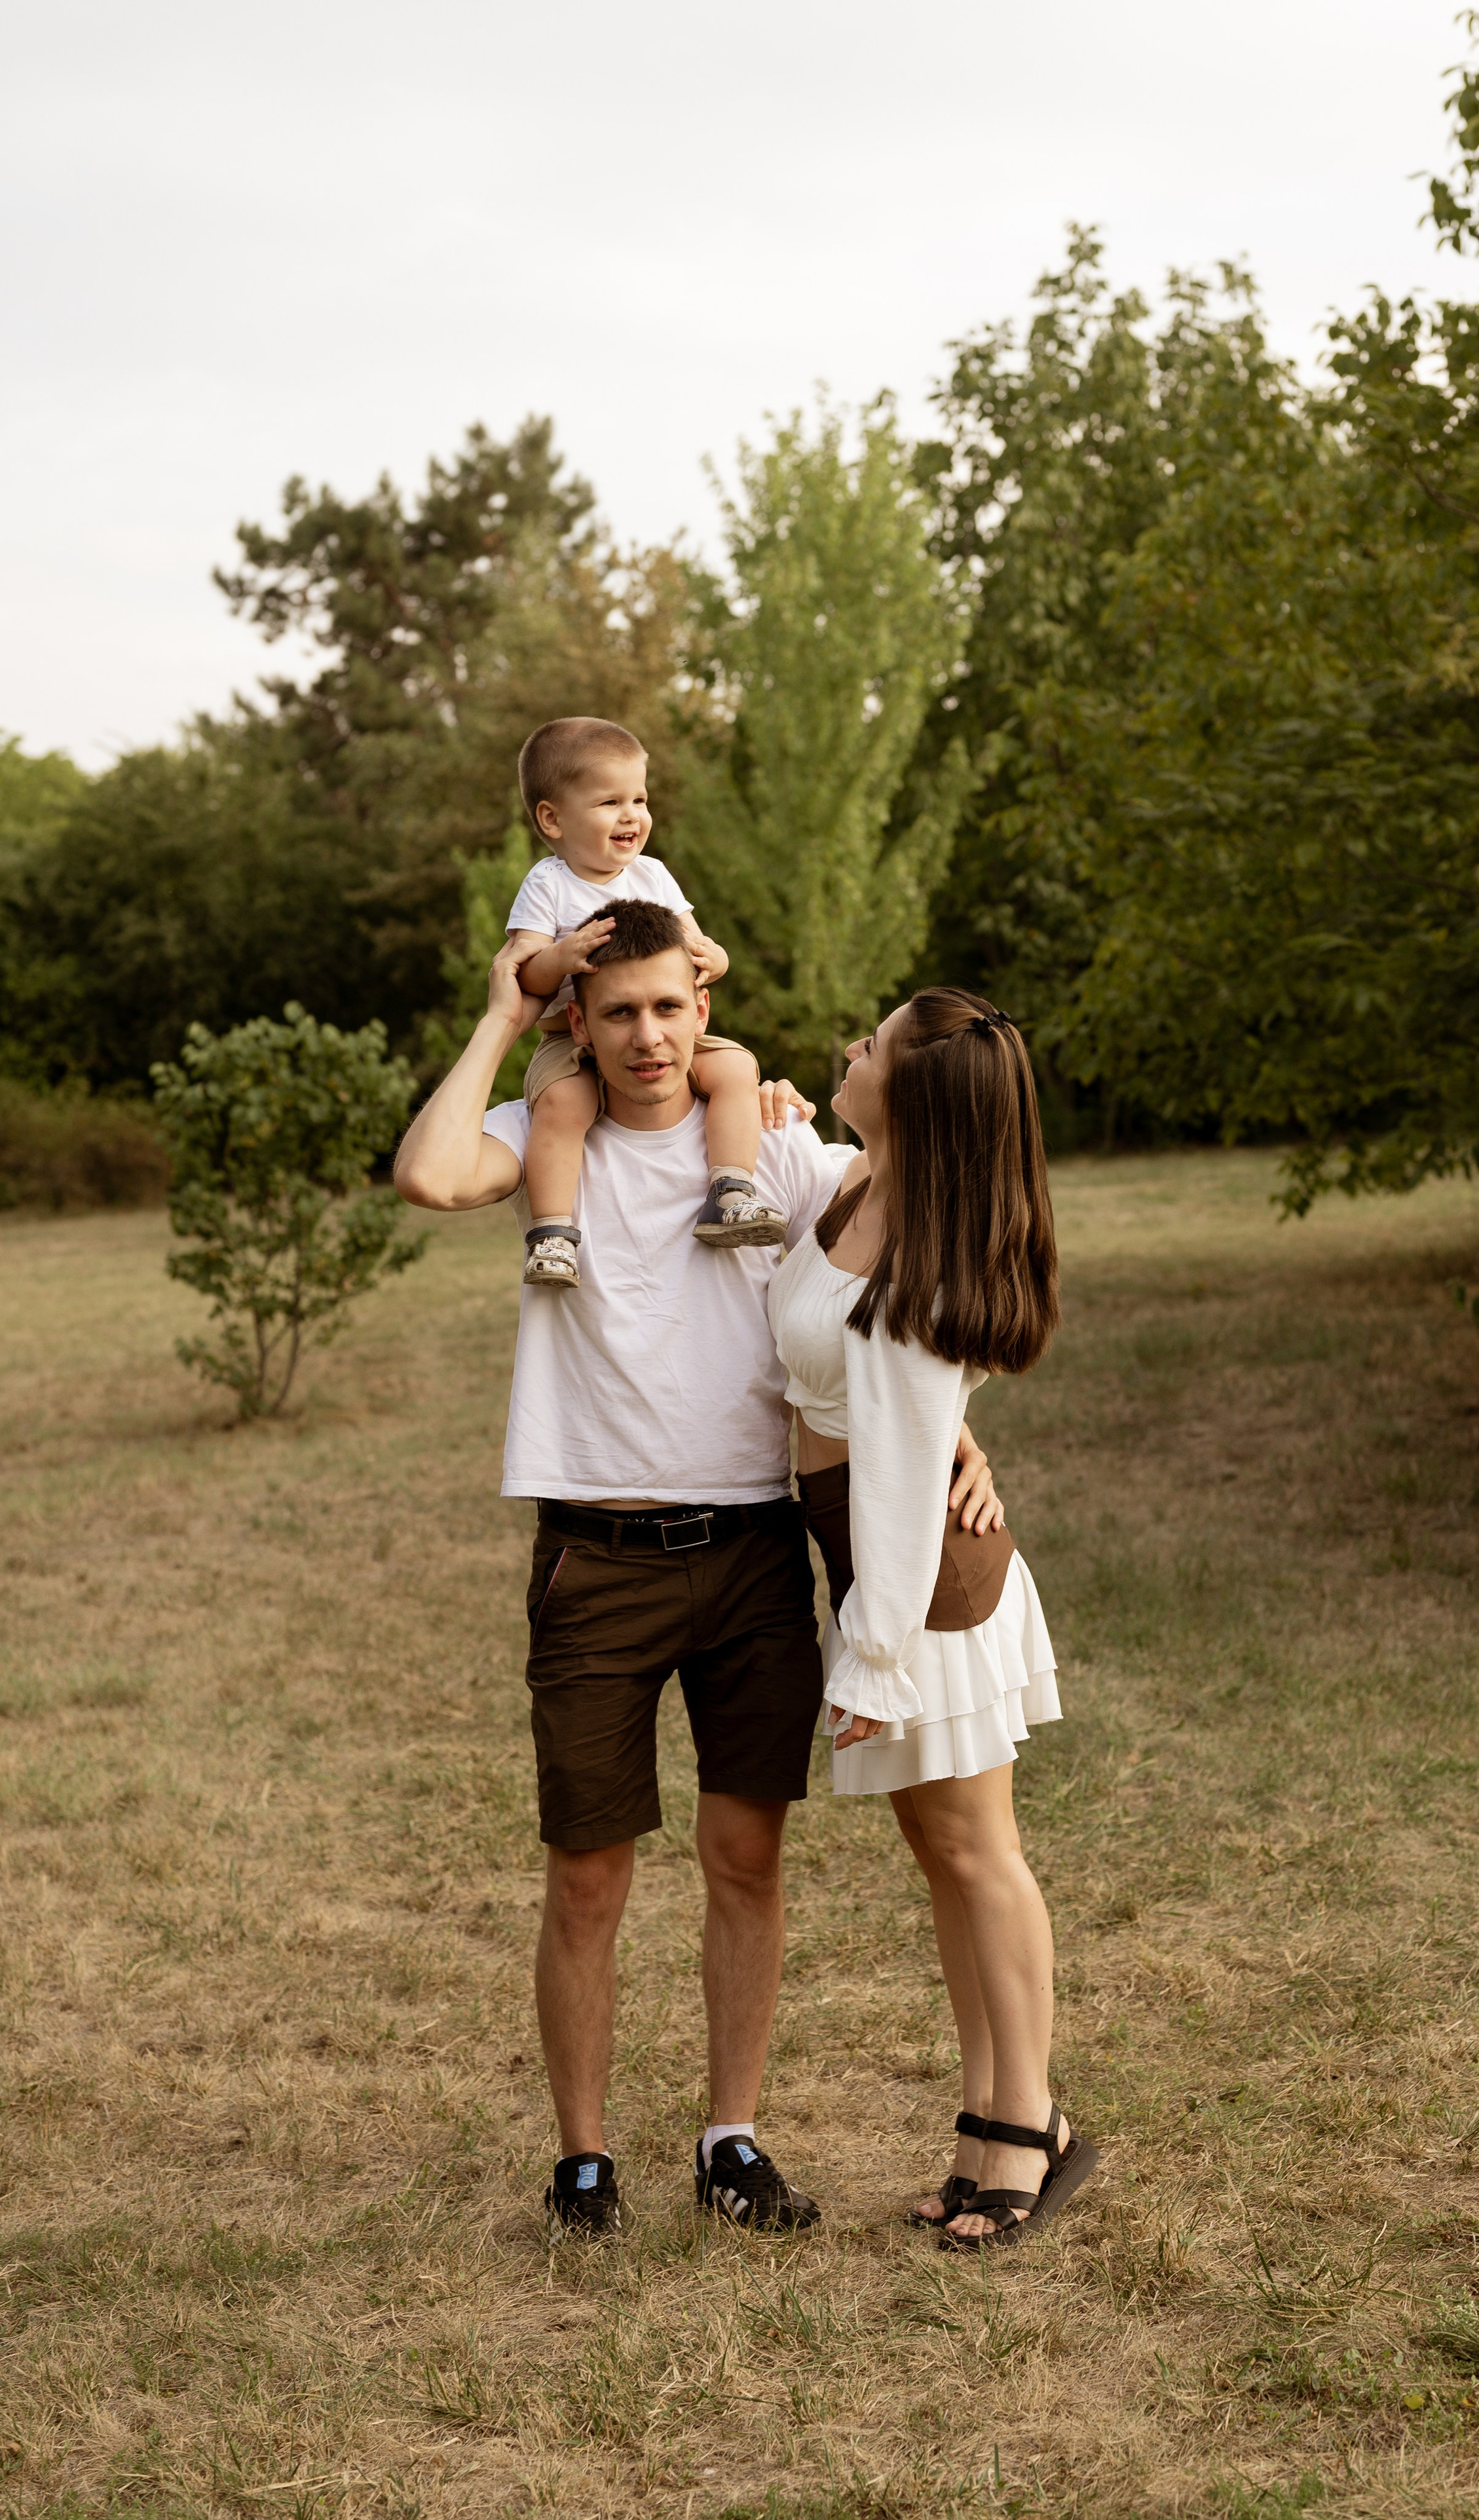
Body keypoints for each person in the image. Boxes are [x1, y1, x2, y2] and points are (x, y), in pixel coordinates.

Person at [392, 902, 1000, 2240]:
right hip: (594, 1559)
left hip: (748, 1553)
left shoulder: (770, 1148)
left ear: (702, 1011)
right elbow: (428, 1174)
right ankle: (583, 2162)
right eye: (617, 1012)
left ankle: (732, 2139)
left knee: (745, 1856)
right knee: (587, 1875)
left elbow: (903, 1256)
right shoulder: (545, 1135)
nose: (647, 1036)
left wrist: (958, 1424)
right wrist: (501, 1013)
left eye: (668, 1007)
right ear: (579, 1022)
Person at [766, 989, 1098, 2250]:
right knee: (942, 1852)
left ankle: (1030, 2126)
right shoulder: (856, 1182)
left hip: (921, 1585)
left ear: (909, 1090)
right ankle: (988, 2121)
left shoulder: (922, 1269)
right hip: (871, 1557)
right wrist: (768, 1110)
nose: (849, 1047)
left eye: (872, 1042)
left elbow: (905, 1483)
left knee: (978, 1853)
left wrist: (875, 1656)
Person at [502, 715, 786, 1291]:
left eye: (640, 799)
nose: (632, 815)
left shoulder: (653, 875)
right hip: (571, 1038)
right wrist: (561, 956)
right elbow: (522, 971)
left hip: (652, 1028)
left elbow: (693, 946)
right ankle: (552, 1234)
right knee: (562, 1105)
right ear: (553, 819)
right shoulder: (549, 883)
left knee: (736, 1067)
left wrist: (717, 959)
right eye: (610, 802)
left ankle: (731, 1188)